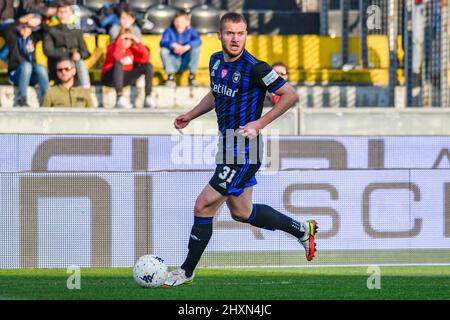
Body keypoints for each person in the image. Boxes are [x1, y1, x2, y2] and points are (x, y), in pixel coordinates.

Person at [165, 12, 317, 287]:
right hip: (228, 147)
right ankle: (302, 230)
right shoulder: (214, 61)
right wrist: (191, 114)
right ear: (219, 36)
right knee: (242, 212)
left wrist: (259, 123)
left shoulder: (256, 67)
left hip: (244, 151)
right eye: (230, 33)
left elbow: (290, 95)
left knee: (202, 206)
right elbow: (216, 93)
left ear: (246, 34)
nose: (235, 39)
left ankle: (186, 271)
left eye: (241, 33)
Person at [1, 14, 49, 107]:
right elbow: (6, 30)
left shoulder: (33, 38)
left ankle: (47, 98)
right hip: (16, 74)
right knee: (26, 66)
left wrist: (39, 22)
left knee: (40, 68)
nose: (26, 29)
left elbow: (47, 31)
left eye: (29, 27)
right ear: (18, 27)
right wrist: (19, 21)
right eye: (23, 27)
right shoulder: (13, 37)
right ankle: (22, 98)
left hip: (31, 76)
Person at [101, 27, 155, 109]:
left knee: (148, 66)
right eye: (125, 38)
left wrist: (138, 42)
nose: (127, 41)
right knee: (118, 64)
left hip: (125, 78)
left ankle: (148, 97)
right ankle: (119, 98)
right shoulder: (113, 47)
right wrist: (120, 41)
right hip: (110, 78)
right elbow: (117, 57)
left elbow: (146, 57)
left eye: (130, 39)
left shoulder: (132, 50)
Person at [43, 0, 91, 88]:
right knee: (67, 65)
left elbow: (86, 52)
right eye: (60, 12)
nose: (63, 15)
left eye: (65, 12)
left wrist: (79, 55)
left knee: (79, 61)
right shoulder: (50, 31)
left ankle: (86, 89)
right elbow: (48, 51)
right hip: (57, 64)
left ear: (70, 14)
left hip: (75, 64)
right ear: (56, 14)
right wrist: (69, 54)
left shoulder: (77, 31)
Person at [160, 10, 201, 87]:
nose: (179, 24)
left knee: (196, 48)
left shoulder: (191, 31)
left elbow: (198, 40)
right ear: (173, 22)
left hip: (186, 61)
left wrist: (187, 47)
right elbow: (163, 42)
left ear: (187, 22)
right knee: (163, 50)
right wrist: (173, 45)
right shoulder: (169, 30)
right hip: (173, 61)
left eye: (182, 21)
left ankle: (191, 77)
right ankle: (170, 77)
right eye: (177, 21)